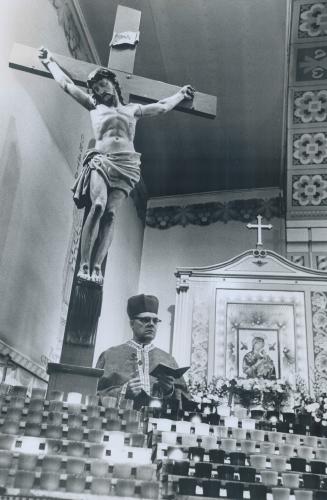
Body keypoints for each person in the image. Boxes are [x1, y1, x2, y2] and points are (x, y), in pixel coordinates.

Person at [38, 48, 195, 284]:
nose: (100, 90)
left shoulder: (132, 110)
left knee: (111, 214)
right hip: (101, 160)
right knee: (99, 205)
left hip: (127, 164)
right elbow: (67, 85)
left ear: (113, 84)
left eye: (103, 84)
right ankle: (83, 263)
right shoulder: (94, 106)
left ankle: (97, 267)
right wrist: (50, 62)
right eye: (96, 88)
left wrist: (181, 95)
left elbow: (162, 106)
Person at [95, 294, 189, 408]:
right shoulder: (110, 355)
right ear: (132, 323)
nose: (151, 324)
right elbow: (95, 395)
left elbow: (186, 401)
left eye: (155, 321)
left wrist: (170, 390)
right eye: (145, 320)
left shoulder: (168, 360)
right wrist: (123, 392)